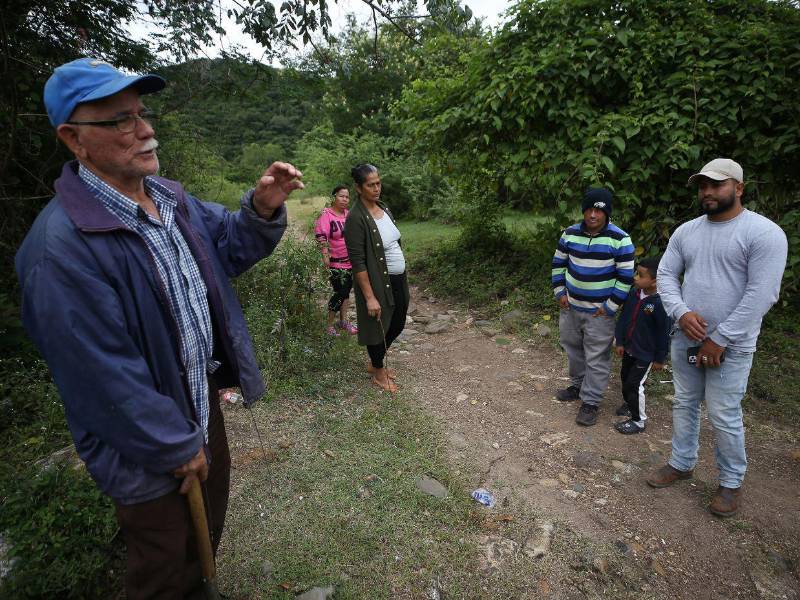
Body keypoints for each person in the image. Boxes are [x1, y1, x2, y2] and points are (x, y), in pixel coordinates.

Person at [15, 58, 303, 598]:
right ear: (74, 139)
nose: (145, 131)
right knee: (163, 564)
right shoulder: (60, 249)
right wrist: (171, 445)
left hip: (199, 410)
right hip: (144, 443)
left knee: (205, 535)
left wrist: (262, 209)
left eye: (141, 115)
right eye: (120, 121)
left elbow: (226, 250)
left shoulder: (171, 200)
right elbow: (100, 374)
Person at [646, 158, 787, 517]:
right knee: (684, 403)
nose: (707, 192)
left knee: (723, 414)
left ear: (739, 188)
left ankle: (730, 483)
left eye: (717, 184)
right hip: (686, 337)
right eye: (703, 185)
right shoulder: (687, 231)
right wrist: (681, 312)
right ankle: (681, 463)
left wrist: (720, 337)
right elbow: (665, 275)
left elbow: (762, 293)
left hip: (732, 346)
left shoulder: (763, 233)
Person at [552, 187, 635, 426]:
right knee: (572, 349)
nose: (593, 215)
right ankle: (577, 386)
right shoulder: (569, 234)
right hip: (571, 307)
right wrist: (560, 292)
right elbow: (558, 264)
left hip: (600, 312)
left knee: (597, 357)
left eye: (599, 210)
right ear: (583, 211)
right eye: (589, 209)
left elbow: (625, 277)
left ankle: (591, 402)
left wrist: (610, 306)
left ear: (606, 213)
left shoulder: (620, 239)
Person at [344, 163, 409, 393]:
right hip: (378, 281)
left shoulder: (384, 207)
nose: (376, 188)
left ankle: (375, 361)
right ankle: (378, 372)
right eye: (370, 185)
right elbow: (358, 261)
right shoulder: (355, 218)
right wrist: (369, 297)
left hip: (398, 278)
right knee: (377, 326)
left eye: (378, 183)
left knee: (398, 322)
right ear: (359, 188)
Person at [612, 255, 670, 434]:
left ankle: (639, 420)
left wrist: (660, 358)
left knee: (634, 384)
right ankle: (630, 405)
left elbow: (664, 333)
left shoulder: (661, 303)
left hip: (645, 354)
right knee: (625, 378)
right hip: (629, 348)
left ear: (654, 281)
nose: (635, 278)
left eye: (641, 275)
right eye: (636, 273)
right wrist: (620, 341)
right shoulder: (634, 294)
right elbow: (623, 319)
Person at [314, 185, 357, 336]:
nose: (345, 199)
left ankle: (343, 321)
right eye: (341, 196)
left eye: (347, 197)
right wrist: (325, 255)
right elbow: (321, 236)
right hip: (335, 262)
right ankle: (329, 325)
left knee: (346, 293)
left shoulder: (348, 214)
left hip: (351, 261)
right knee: (340, 292)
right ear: (334, 197)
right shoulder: (326, 215)